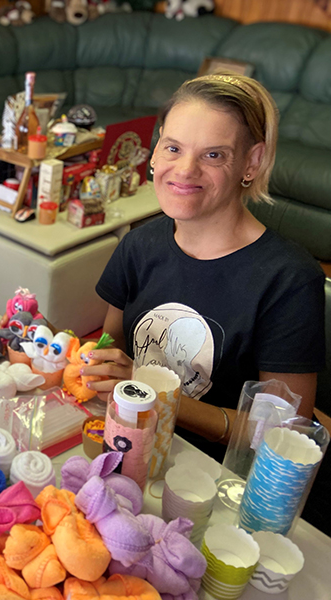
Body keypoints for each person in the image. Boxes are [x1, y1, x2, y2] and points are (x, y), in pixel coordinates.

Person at [82, 74, 326, 455]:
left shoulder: (289, 280)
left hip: (212, 475)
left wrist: (157, 395)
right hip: (130, 442)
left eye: (213, 154)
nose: (184, 170)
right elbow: (110, 346)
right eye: (173, 148)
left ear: (252, 161)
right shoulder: (139, 243)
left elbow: (280, 432)